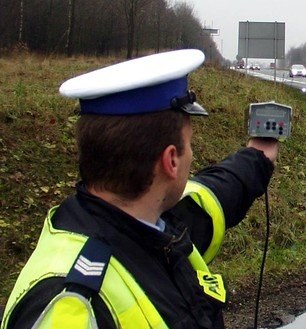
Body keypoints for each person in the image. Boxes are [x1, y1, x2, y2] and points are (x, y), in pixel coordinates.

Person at [1, 49, 279, 329]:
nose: (191, 155)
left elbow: (211, 196)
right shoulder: (72, 306)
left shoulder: (152, 225)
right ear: (171, 160)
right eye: (190, 144)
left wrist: (257, 157)